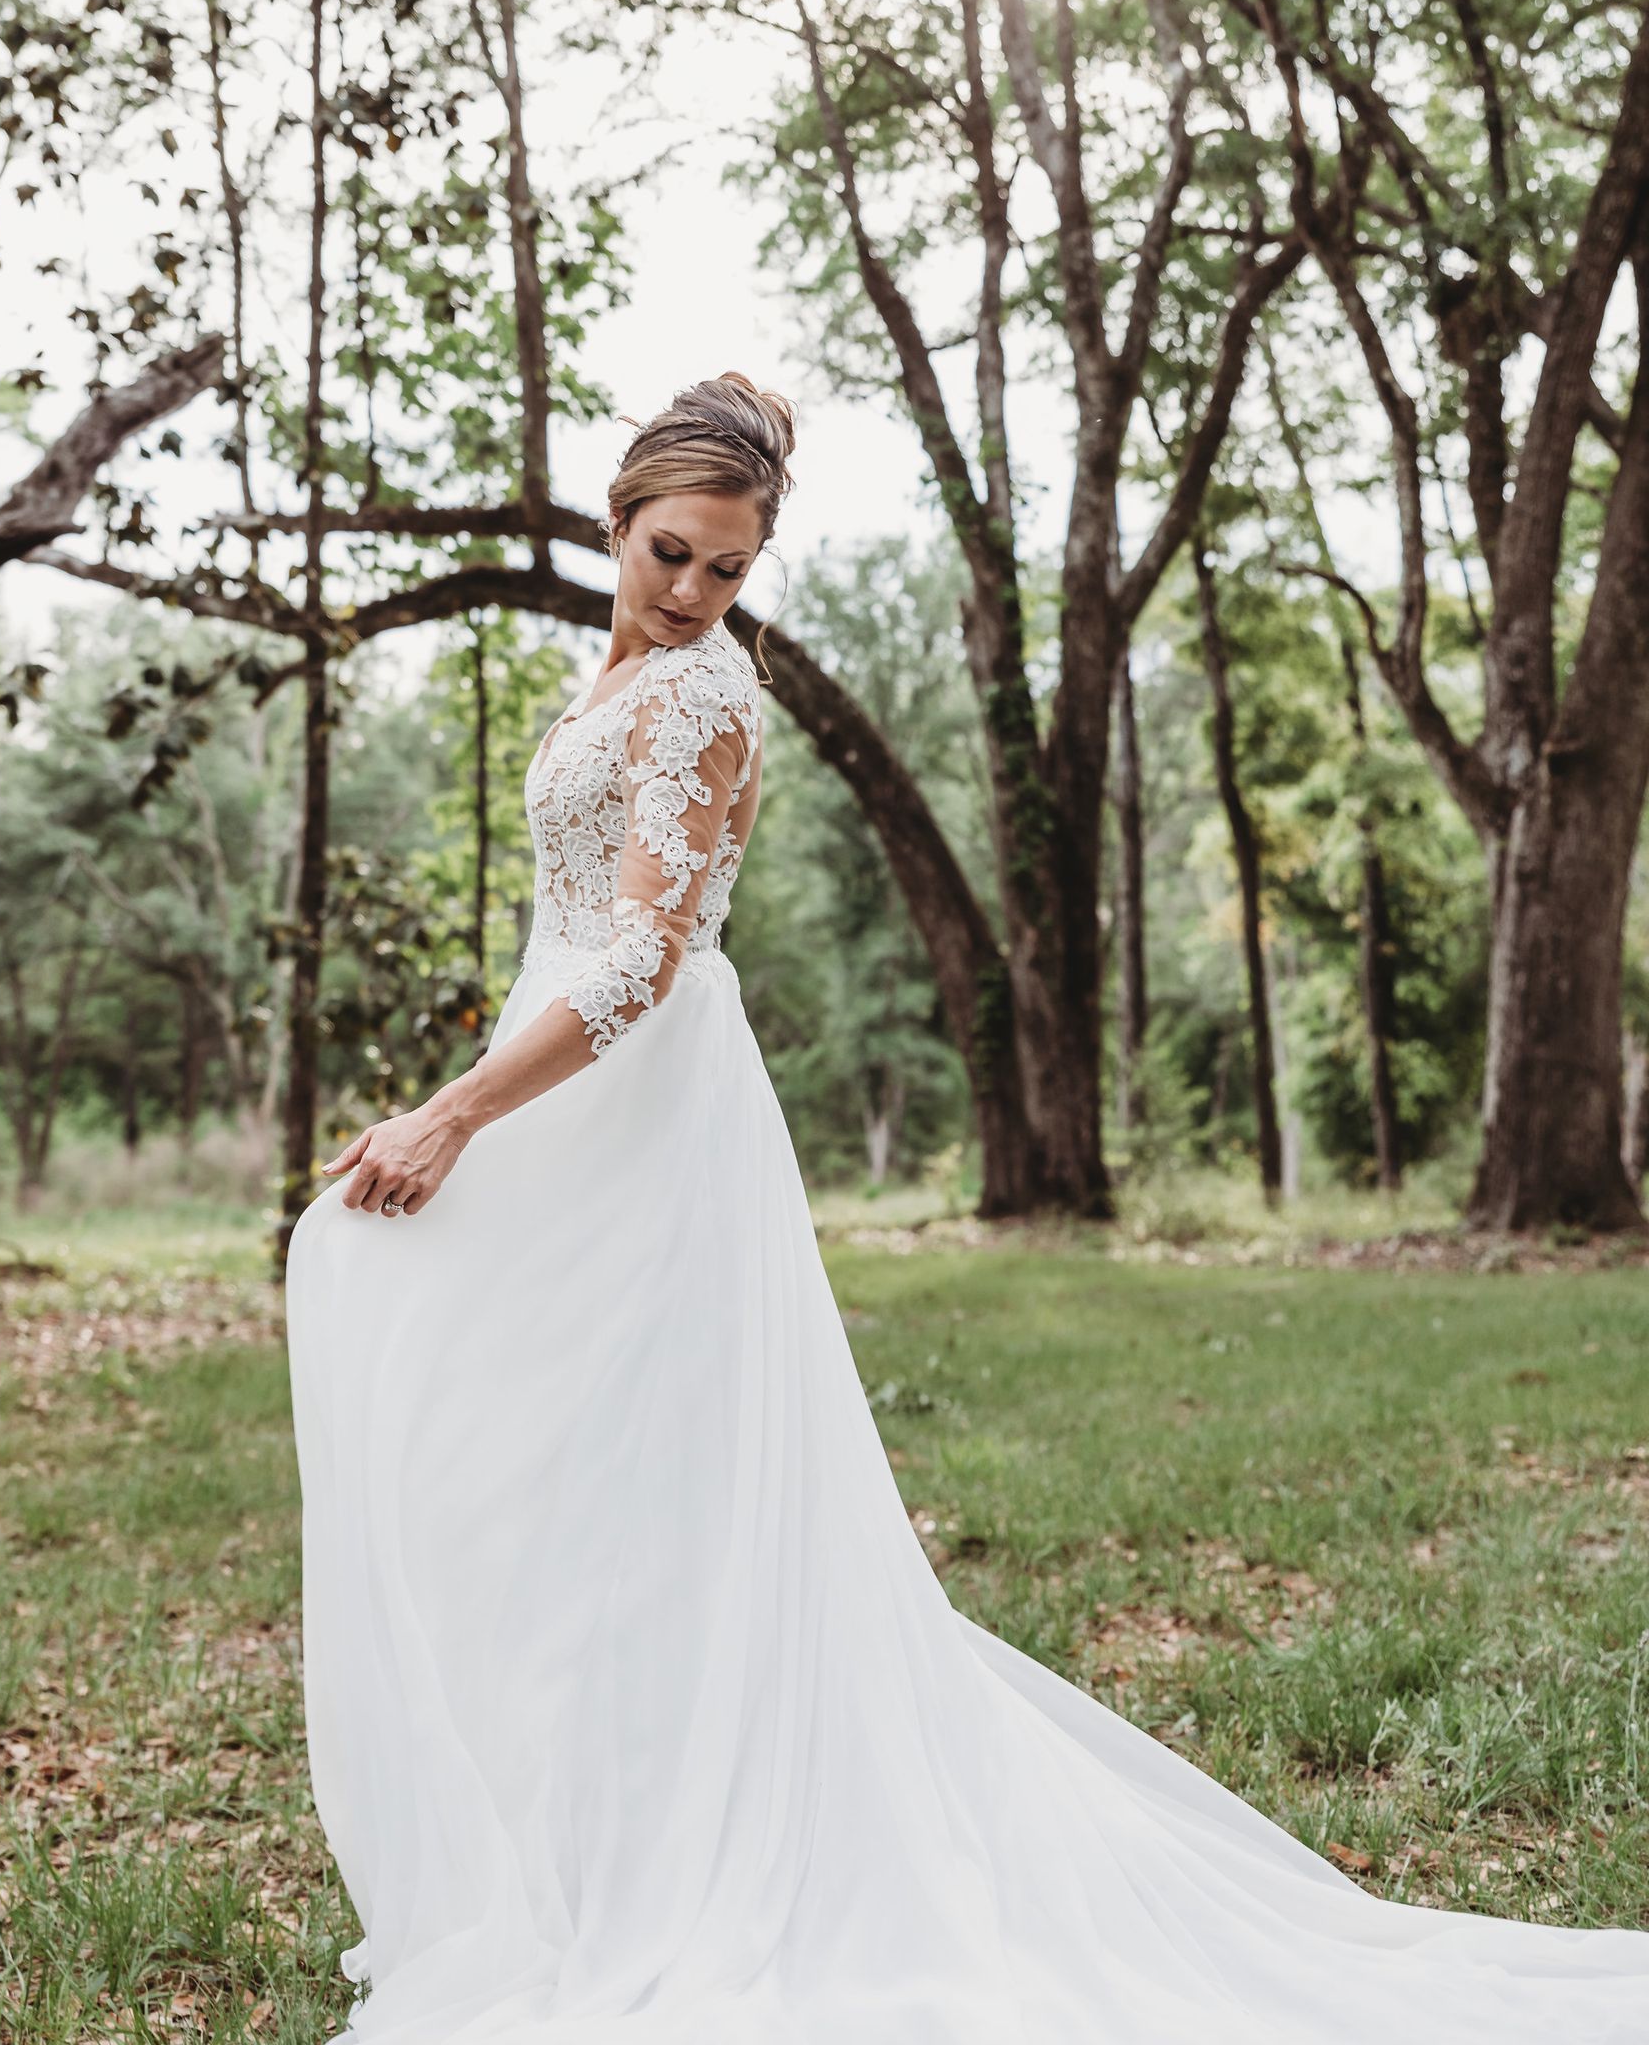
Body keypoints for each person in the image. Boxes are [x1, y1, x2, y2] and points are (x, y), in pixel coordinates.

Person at [285, 370, 1649, 2043]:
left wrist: (452, 1114)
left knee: (600, 1461)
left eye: (726, 568)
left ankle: (665, 1851)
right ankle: (578, 1833)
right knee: (512, 1436)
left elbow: (643, 957)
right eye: (669, 553)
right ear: (617, 516)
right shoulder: (623, 670)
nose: (695, 591)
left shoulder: (702, 696)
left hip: (628, 1100)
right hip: (565, 1083)